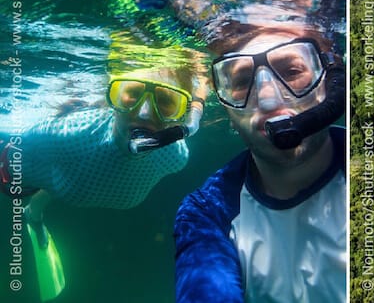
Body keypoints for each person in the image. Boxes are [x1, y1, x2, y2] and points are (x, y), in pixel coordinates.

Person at [0, 40, 206, 301]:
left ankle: (33, 212)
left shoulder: (175, 155)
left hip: (71, 179)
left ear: (181, 115)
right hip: (59, 173)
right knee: (50, 179)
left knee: (61, 180)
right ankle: (34, 213)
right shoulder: (71, 133)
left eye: (166, 101)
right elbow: (19, 144)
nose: (144, 113)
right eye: (131, 94)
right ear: (113, 98)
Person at [173, 20, 347, 303]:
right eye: (242, 82)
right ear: (227, 109)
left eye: (292, 72)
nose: (268, 101)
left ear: (330, 83)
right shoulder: (207, 213)